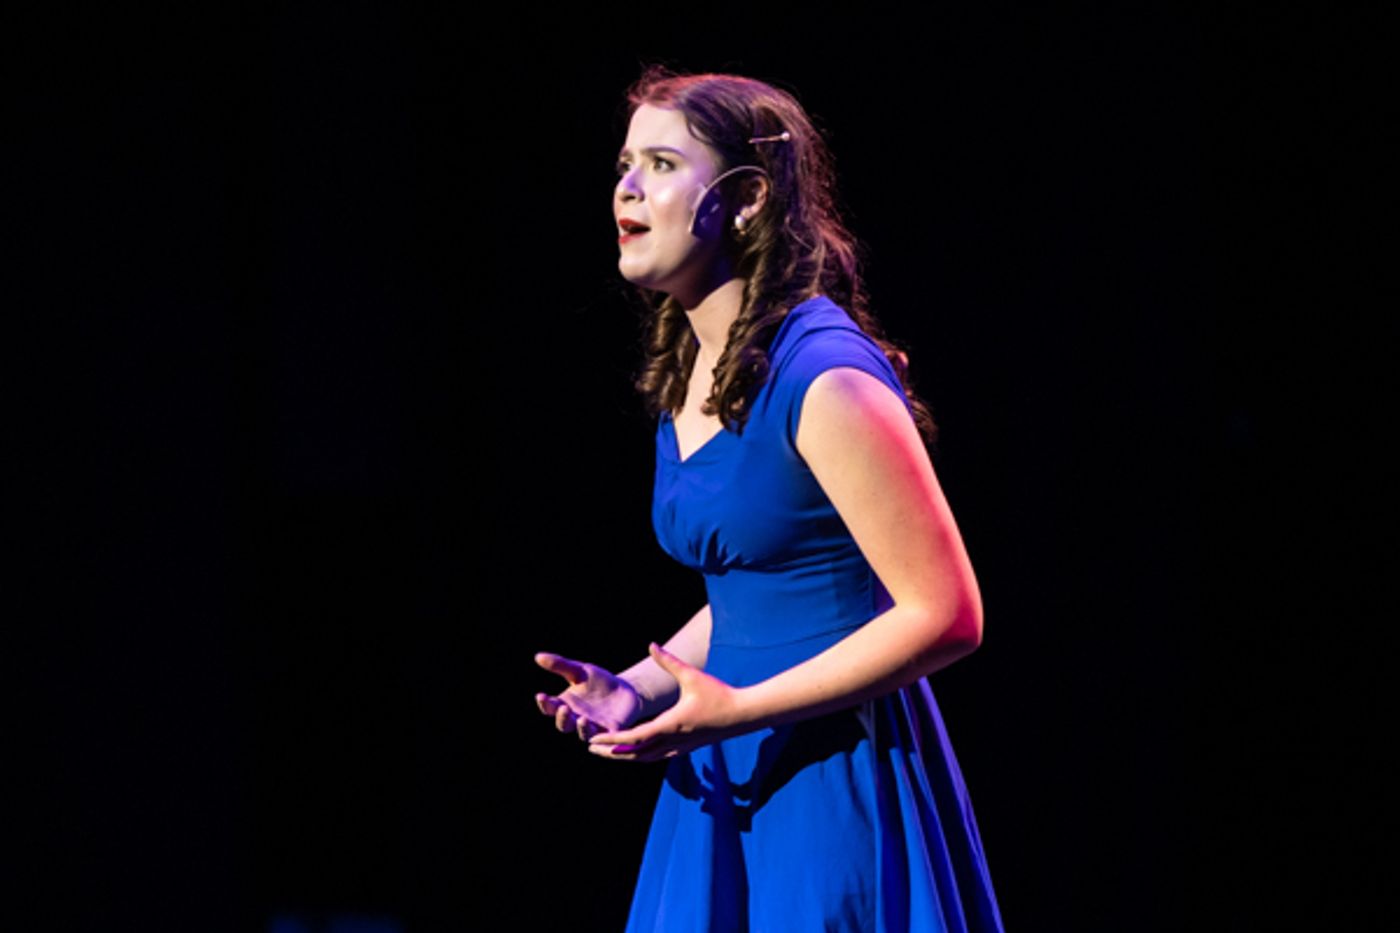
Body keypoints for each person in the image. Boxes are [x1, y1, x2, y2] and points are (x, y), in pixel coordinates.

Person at [533, 67, 1005, 933]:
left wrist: (736, 710)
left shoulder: (825, 376)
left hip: (826, 768)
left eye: (663, 164)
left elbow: (947, 612)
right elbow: (755, 585)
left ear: (745, 199)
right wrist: (639, 689)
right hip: (721, 761)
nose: (627, 189)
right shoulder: (697, 366)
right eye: (623, 164)